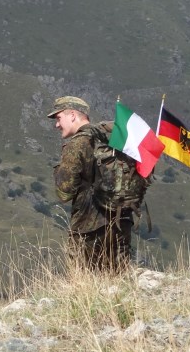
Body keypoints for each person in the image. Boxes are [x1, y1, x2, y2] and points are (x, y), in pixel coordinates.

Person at [48, 96, 132, 273]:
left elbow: (64, 193)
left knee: (83, 281)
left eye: (58, 118)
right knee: (117, 280)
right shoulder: (111, 138)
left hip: (88, 227)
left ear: (72, 115)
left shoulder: (77, 144)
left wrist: (59, 169)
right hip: (121, 220)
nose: (57, 125)